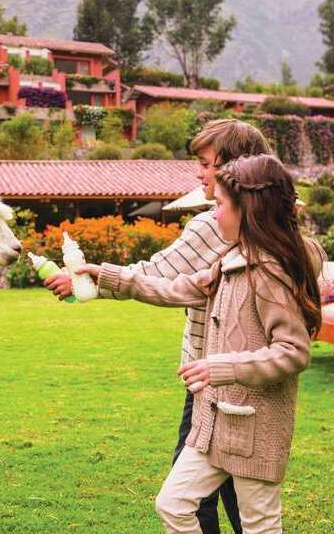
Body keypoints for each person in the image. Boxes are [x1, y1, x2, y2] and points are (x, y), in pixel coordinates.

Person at [46, 119, 272, 534]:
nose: (198, 172)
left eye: (205, 163)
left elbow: (163, 276)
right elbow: (190, 285)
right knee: (242, 500)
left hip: (211, 378)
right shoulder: (271, 228)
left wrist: (92, 279)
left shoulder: (211, 224)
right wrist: (97, 277)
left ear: (231, 168)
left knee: (194, 496)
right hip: (246, 379)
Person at [79, 154, 323, 533]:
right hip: (213, 424)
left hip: (255, 431)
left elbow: (293, 351)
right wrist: (105, 276)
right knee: (173, 505)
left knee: (259, 526)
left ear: (249, 211)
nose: (215, 214)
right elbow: (176, 288)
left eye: (220, 205)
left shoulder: (270, 272)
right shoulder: (231, 259)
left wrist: (220, 367)